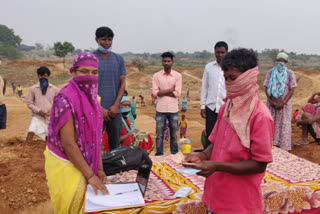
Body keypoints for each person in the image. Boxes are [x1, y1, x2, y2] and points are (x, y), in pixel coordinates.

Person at [184, 48, 274, 214]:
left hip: (239, 201)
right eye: (226, 79)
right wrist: (203, 155)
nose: (229, 84)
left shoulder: (260, 116)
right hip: (216, 193)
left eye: (233, 78)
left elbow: (260, 164)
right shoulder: (226, 108)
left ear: (249, 77)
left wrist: (217, 166)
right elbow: (216, 144)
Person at [44, 52, 109, 213]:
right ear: (73, 72)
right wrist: (90, 175)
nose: (90, 76)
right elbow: (68, 143)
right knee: (71, 203)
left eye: (94, 72)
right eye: (84, 72)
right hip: (65, 160)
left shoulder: (94, 100)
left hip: (87, 158)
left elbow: (96, 138)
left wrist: (99, 169)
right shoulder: (64, 99)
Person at [93, 26, 126, 151]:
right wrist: (100, 108)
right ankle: (94, 169)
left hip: (115, 111)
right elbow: (87, 87)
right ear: (96, 39)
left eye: (109, 40)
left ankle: (113, 169)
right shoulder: (91, 59)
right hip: (95, 110)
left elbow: (122, 83)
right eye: (103, 39)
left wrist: (116, 105)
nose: (107, 43)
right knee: (94, 143)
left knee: (115, 145)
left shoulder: (118, 59)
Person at [264, 52, 297, 151]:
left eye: (282, 61)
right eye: (278, 61)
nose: (280, 63)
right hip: (272, 104)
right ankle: (271, 143)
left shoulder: (289, 73)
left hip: (284, 105)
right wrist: (271, 101)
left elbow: (292, 89)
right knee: (271, 122)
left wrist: (283, 102)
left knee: (284, 123)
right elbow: (265, 86)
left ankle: (283, 146)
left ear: (286, 62)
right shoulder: (270, 72)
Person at [152, 52, 181, 155]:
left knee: (174, 135)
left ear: (172, 62)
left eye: (168, 61)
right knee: (159, 135)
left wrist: (162, 92)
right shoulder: (156, 76)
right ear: (162, 62)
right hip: (161, 109)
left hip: (174, 109)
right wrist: (170, 90)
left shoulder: (178, 76)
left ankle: (174, 154)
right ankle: (159, 155)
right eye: (164, 61)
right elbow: (155, 93)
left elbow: (177, 93)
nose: (166, 63)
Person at [200, 41, 228, 149]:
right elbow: (205, 87)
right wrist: (203, 106)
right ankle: (208, 159)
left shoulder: (231, 68)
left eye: (222, 52)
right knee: (210, 135)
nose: (220, 55)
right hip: (211, 108)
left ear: (226, 53)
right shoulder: (209, 67)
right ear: (214, 52)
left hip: (225, 109)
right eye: (217, 52)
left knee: (224, 135)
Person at [26, 67, 59, 142]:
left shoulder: (54, 89)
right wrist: (39, 111)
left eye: (45, 76)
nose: (43, 77)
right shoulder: (33, 89)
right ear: (38, 76)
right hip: (37, 116)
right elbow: (29, 103)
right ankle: (25, 149)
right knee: (31, 131)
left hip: (50, 117)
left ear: (48, 76)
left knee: (48, 137)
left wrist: (51, 111)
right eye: (41, 76)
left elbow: (58, 103)